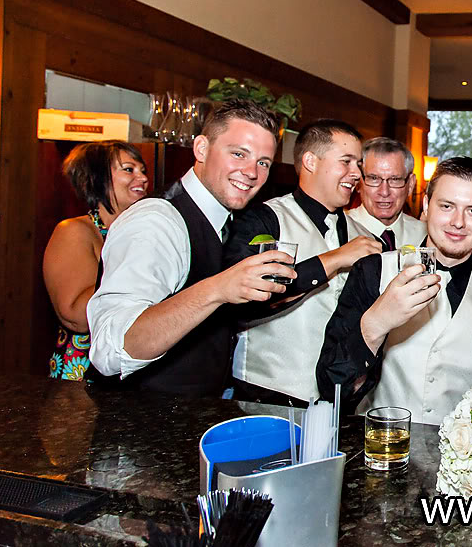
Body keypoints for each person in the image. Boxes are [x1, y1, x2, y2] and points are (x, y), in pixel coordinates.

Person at [88, 99, 294, 397]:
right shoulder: (156, 221)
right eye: (238, 154)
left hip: (192, 421)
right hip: (135, 430)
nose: (251, 172)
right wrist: (217, 289)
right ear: (201, 149)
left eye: (263, 162)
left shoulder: (225, 221)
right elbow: (111, 351)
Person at [316, 157, 472, 424]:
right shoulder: (372, 272)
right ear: (426, 206)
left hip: (465, 460)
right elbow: (330, 387)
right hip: (377, 450)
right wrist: (375, 324)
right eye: (447, 206)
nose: (458, 222)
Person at [222, 120, 381, 406]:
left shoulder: (366, 238)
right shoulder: (264, 219)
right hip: (266, 396)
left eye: (358, 164)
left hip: (340, 403)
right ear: (310, 161)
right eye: (346, 162)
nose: (357, 173)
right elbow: (242, 303)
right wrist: (334, 259)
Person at [44, 141, 148, 381]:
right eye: (129, 169)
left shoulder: (139, 234)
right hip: (84, 374)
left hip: (129, 372)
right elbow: (75, 316)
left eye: (143, 171)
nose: (142, 178)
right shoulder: (74, 231)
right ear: (96, 178)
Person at [347, 137, 427, 251]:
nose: (384, 192)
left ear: (410, 184)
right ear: (359, 183)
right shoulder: (339, 232)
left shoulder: (425, 236)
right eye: (374, 178)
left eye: (395, 179)